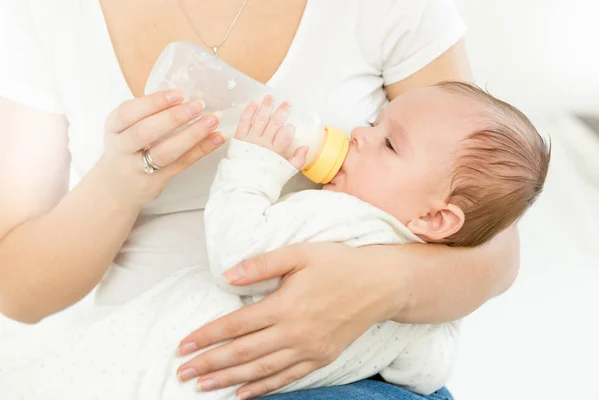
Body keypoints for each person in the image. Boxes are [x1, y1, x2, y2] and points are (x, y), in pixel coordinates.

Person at [0, 1, 519, 399]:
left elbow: (492, 239)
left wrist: (384, 288)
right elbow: (18, 288)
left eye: (385, 137)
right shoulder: (46, 15)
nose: (360, 134)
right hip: (162, 359)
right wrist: (118, 182)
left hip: (339, 376)